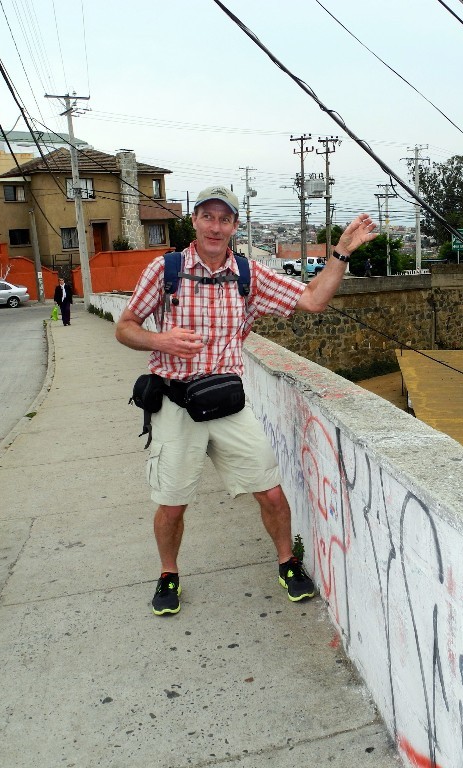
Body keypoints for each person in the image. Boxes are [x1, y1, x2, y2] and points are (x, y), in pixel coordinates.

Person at [115, 184, 377, 616]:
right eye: (208, 217)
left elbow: (311, 300)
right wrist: (159, 339)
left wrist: (342, 252)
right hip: (177, 404)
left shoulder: (247, 276)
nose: (215, 227)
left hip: (226, 403)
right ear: (195, 221)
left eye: (225, 219)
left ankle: (286, 562)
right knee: (172, 503)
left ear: (235, 226)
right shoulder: (165, 270)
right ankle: (168, 573)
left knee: (272, 494)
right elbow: (125, 327)